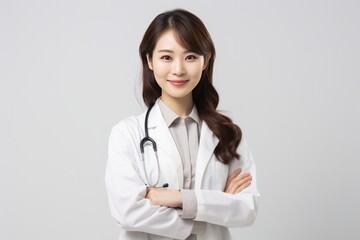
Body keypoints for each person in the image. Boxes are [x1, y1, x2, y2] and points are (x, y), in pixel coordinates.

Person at [105, 8, 260, 240]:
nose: (178, 69)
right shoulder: (127, 134)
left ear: (205, 61)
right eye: (167, 57)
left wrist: (178, 198)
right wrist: (212, 207)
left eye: (190, 57)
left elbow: (247, 208)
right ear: (149, 60)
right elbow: (127, 213)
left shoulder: (227, 134)